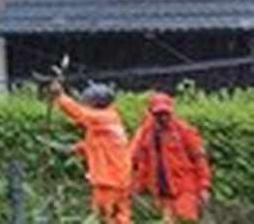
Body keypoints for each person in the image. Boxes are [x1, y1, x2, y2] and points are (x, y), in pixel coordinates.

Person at [49, 80, 132, 224]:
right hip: (120, 177)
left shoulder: (102, 118)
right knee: (121, 218)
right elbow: (99, 143)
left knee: (103, 217)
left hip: (108, 179)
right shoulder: (110, 119)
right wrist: (74, 148)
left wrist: (60, 96)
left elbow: (79, 113)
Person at [130, 93, 212, 223]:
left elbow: (199, 159)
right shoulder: (145, 133)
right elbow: (136, 160)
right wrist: (136, 186)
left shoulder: (184, 130)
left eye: (165, 113)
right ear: (151, 113)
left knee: (186, 219)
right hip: (160, 191)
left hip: (184, 189)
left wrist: (204, 186)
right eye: (158, 114)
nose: (163, 117)